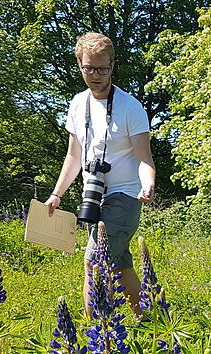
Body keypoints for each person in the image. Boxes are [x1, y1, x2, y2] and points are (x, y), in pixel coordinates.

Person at [45, 32, 155, 318]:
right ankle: (150, 321)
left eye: (102, 68)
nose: (95, 75)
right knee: (120, 264)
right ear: (79, 65)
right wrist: (57, 193)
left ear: (112, 66)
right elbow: (73, 156)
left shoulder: (131, 108)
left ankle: (97, 333)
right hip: (93, 197)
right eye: (88, 68)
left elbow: (145, 157)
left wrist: (148, 184)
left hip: (126, 194)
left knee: (93, 262)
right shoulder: (77, 104)